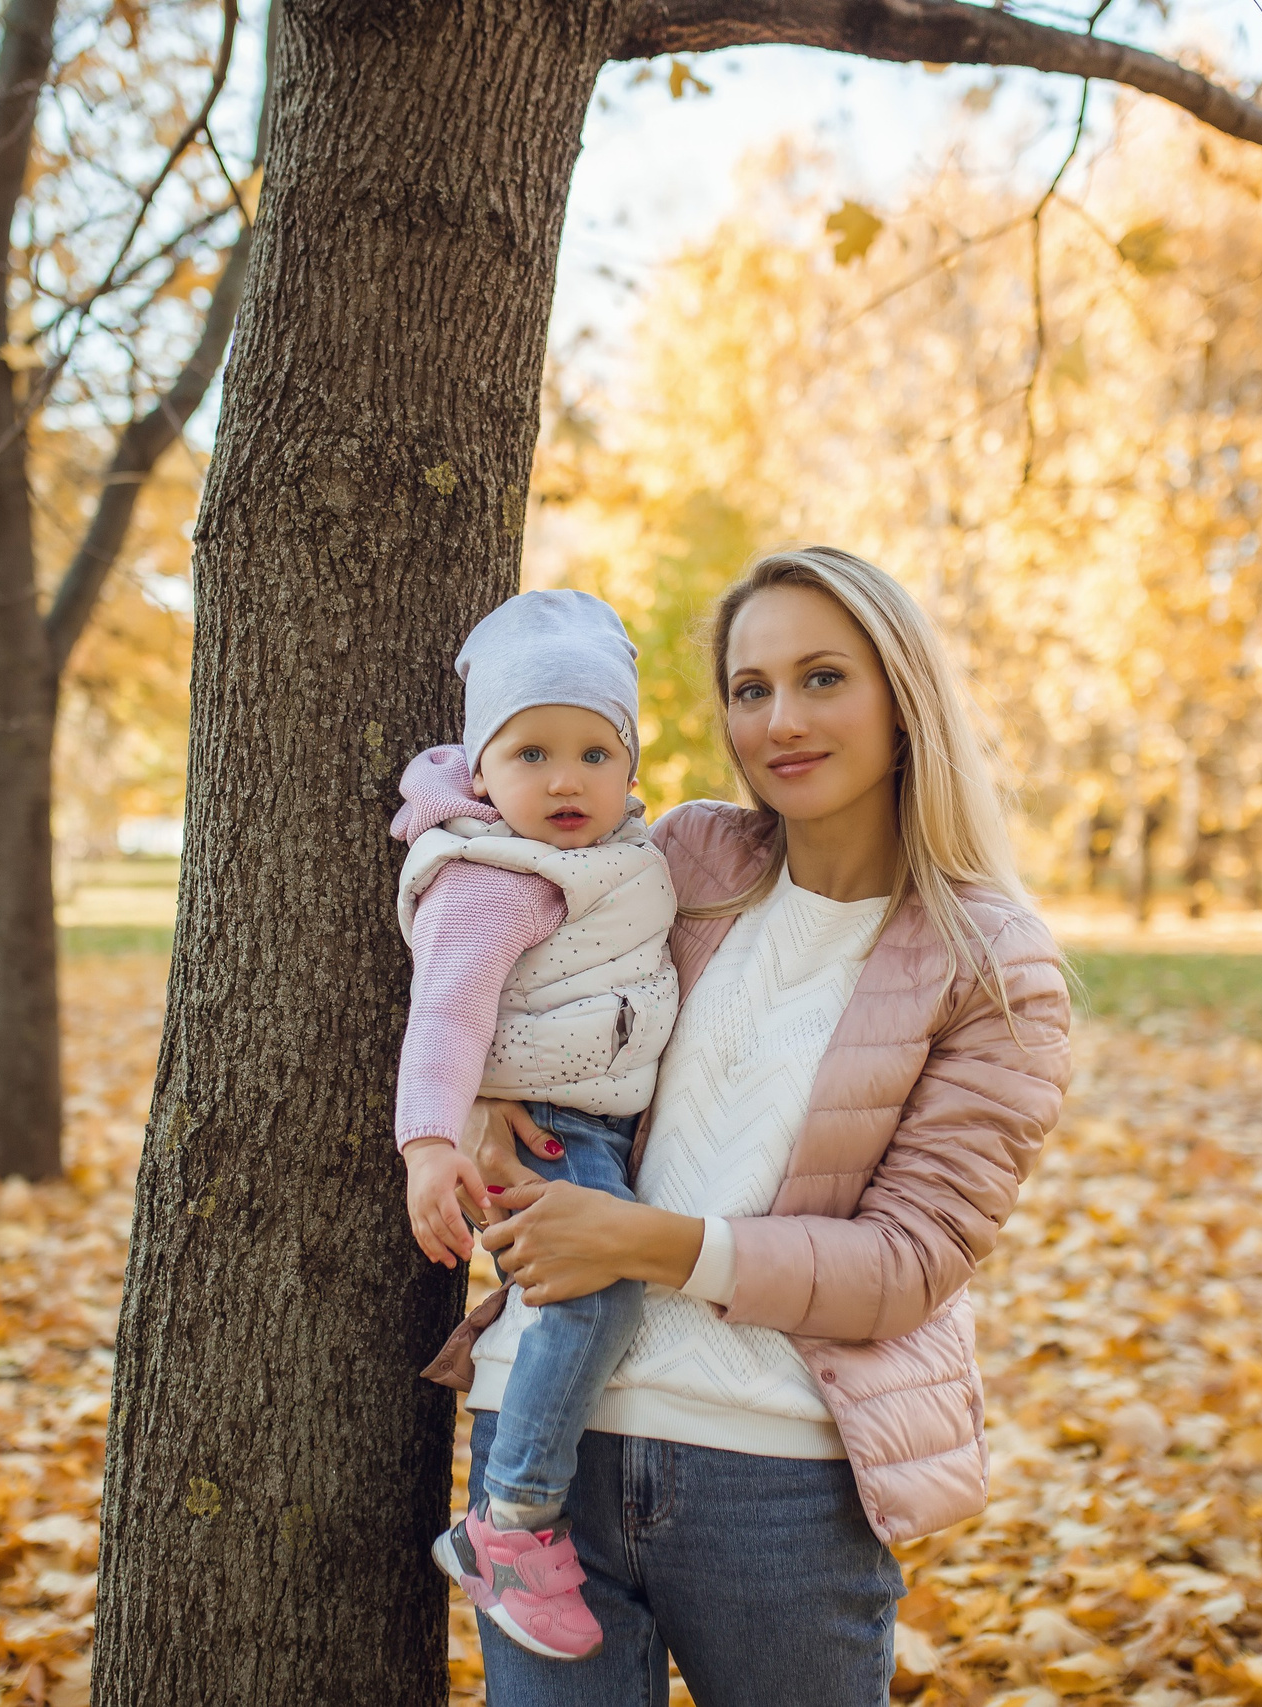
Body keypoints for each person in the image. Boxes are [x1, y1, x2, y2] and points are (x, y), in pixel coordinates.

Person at [414, 546, 1072, 1705]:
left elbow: (910, 1263)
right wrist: (476, 1098)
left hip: (776, 1482)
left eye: (823, 678)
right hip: (535, 1457)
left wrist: (642, 1244)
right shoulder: (681, 859)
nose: (781, 721)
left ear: (902, 697)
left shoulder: (995, 965)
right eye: (750, 688)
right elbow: (493, 937)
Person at [390, 589, 683, 1661]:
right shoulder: (497, 878)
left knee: (586, 1299)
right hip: (545, 1128)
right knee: (593, 1295)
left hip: (588, 1122)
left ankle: (512, 1511)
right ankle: (508, 1520)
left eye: (595, 754)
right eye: (530, 754)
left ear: (630, 769)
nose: (566, 781)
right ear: (482, 772)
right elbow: (450, 1010)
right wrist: (430, 1139)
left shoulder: (613, 855)